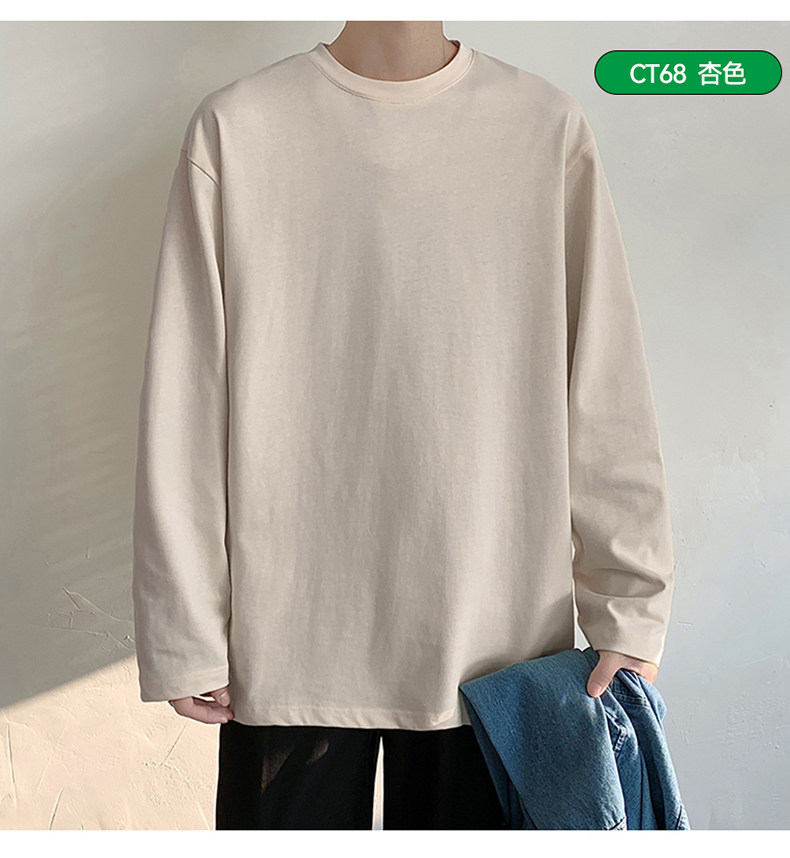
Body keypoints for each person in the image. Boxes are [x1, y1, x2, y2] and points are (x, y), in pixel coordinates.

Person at [132, 20, 676, 829]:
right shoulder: (239, 128)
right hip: (289, 642)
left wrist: (630, 599)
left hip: (493, 643)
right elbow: (187, 398)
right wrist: (185, 626)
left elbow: (603, 381)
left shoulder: (542, 127)